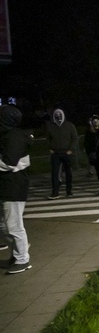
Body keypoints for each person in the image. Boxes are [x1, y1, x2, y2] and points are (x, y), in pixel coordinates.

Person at [0, 105, 33, 274]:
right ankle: (16, 254)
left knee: (14, 226)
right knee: (4, 226)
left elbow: (8, 163)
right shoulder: (9, 135)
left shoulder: (15, 137)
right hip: (7, 186)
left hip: (14, 186)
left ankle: (22, 259)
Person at [45, 108, 78, 199]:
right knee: (55, 173)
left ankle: (69, 191)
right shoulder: (51, 126)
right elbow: (47, 139)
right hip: (55, 153)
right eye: (56, 115)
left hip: (67, 152)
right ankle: (55, 192)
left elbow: (75, 138)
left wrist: (71, 149)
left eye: (60, 115)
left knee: (69, 173)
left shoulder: (69, 125)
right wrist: (50, 148)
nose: (58, 117)